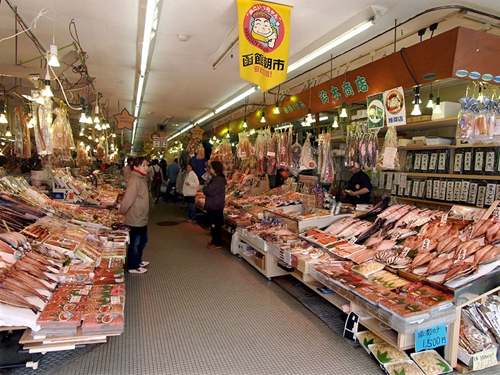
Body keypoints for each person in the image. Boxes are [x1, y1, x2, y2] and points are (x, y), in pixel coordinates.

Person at [119, 156, 151, 274]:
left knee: (143, 240)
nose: (146, 167)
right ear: (136, 166)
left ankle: (138, 260)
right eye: (143, 165)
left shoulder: (141, 178)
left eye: (147, 165)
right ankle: (133, 266)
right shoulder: (135, 179)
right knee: (135, 243)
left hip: (141, 217)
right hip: (135, 217)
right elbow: (128, 199)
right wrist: (122, 211)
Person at [203, 161, 226, 249]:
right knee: (213, 225)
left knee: (215, 225)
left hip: (215, 205)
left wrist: (205, 188)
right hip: (213, 204)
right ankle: (214, 240)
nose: (210, 169)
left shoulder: (218, 180)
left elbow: (210, 191)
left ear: (215, 169)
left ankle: (217, 243)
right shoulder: (216, 178)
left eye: (211, 167)